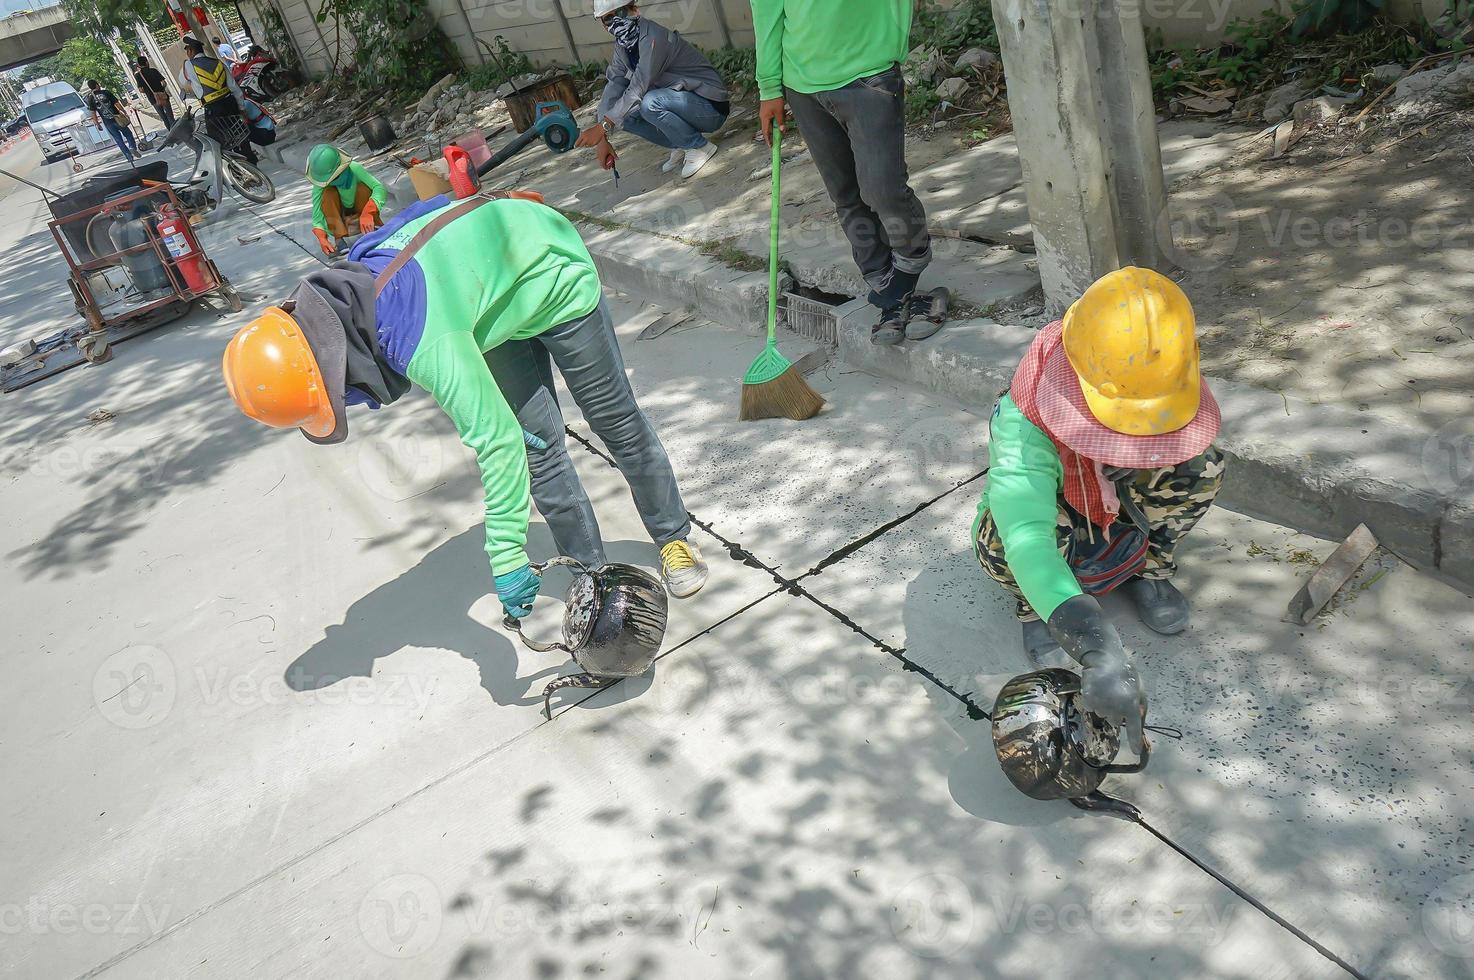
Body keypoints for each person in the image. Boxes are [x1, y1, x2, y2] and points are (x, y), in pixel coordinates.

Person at [220, 192, 711, 622]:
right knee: (537, 444)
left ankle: (673, 536)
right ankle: (591, 573)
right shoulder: (355, 300)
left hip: (551, 273)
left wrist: (506, 558)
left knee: (614, 420)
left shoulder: (417, 333)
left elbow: (495, 444)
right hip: (488, 307)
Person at [974, 267, 1225, 747]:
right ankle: (1039, 607)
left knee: (1202, 467)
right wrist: (1097, 648)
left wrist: (1139, 457)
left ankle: (1149, 568)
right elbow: (1027, 533)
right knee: (1002, 544)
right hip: (1063, 509)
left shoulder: (1149, 363)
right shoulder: (1024, 423)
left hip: (1114, 503)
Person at [751, 0, 948, 346]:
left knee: (882, 189)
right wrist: (769, 88)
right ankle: (888, 288)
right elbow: (767, 11)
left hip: (869, 72)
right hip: (803, 85)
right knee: (845, 194)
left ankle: (910, 262)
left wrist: (891, 42)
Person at [575, 2, 730, 180]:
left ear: (634, 9)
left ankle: (698, 146)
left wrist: (603, 127)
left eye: (619, 13)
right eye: (608, 18)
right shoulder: (623, 45)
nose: (615, 22)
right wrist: (602, 138)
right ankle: (680, 144)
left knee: (649, 102)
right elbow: (615, 83)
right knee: (625, 116)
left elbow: (638, 86)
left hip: (710, 106)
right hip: (679, 101)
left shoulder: (653, 37)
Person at [177, 36, 256, 163]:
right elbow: (234, 87)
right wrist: (241, 107)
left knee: (218, 139)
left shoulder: (188, 65)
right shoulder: (219, 63)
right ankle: (250, 160)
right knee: (239, 132)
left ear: (190, 51)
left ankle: (232, 165)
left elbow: (182, 81)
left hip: (213, 108)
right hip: (230, 103)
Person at [306, 144, 386, 256]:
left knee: (363, 188)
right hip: (342, 220)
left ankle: (376, 227)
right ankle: (339, 240)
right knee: (328, 194)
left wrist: (368, 212)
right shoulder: (321, 183)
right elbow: (317, 215)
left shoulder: (354, 168)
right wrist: (322, 238)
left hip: (364, 216)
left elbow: (379, 188)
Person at [83, 80, 138, 163]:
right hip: (117, 118)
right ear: (97, 85)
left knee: (118, 139)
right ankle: (132, 147)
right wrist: (124, 111)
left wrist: (97, 123)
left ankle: (128, 156)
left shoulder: (91, 98)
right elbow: (117, 103)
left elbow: (93, 112)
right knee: (128, 133)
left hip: (107, 122)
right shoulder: (106, 93)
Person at [132, 55, 175, 131]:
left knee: (164, 118)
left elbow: (141, 90)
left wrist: (148, 91)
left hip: (152, 99)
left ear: (138, 65)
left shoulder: (138, 76)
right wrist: (162, 89)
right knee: (170, 116)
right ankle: (177, 132)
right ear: (146, 62)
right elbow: (164, 83)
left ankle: (172, 133)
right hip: (163, 96)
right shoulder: (154, 71)